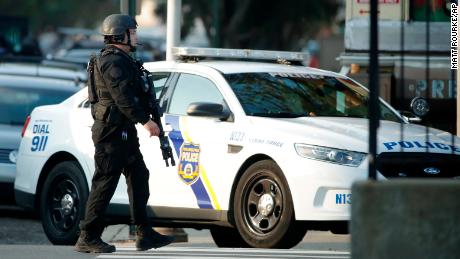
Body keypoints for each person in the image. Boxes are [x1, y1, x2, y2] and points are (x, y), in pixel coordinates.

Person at [75, 14, 174, 253]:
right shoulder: (112, 62)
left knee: (139, 177)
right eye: (133, 32)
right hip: (111, 132)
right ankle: (88, 236)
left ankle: (144, 233)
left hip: (123, 131)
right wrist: (146, 121)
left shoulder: (124, 60)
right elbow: (123, 98)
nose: (136, 36)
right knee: (105, 182)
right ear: (121, 34)